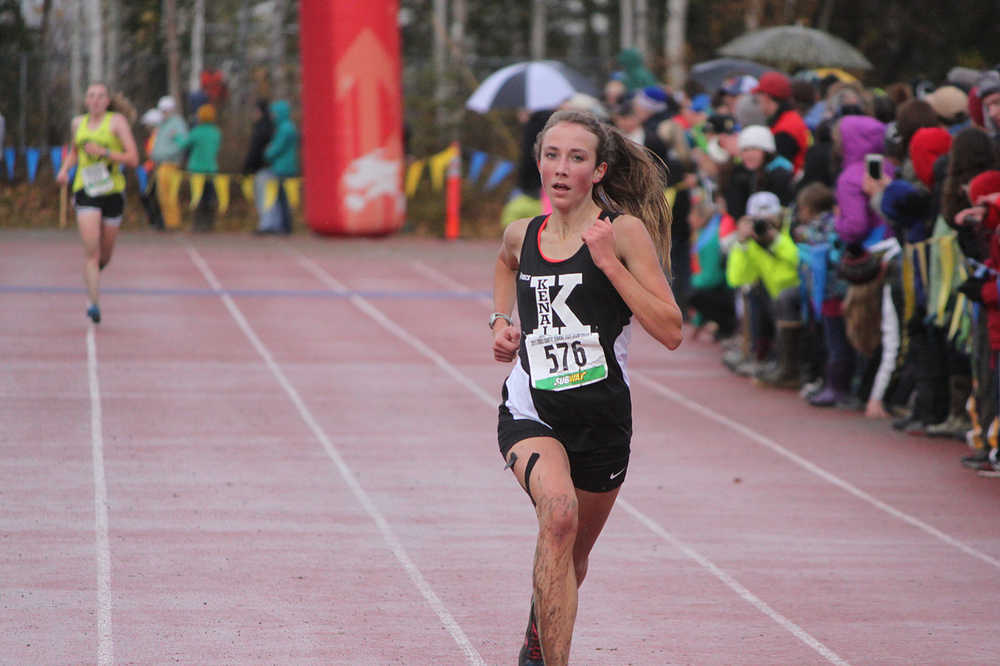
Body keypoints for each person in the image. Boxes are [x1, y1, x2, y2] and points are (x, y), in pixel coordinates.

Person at [490, 109, 683, 666]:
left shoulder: (622, 232)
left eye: (576, 158)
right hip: (533, 411)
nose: (561, 167)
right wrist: (500, 322)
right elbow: (504, 265)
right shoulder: (523, 233)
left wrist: (610, 265)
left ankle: (537, 634)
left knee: (570, 559)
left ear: (598, 171)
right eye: (552, 155)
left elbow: (670, 331)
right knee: (559, 513)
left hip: (602, 422)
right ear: (538, 163)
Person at [55, 82, 139, 324]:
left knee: (105, 255)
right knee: (91, 251)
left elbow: (133, 158)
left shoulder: (116, 123)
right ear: (85, 100)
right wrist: (63, 171)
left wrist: (105, 153)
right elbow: (74, 152)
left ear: (107, 101)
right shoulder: (77, 123)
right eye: (91, 96)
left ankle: (94, 275)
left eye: (101, 96)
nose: (96, 100)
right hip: (86, 189)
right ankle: (93, 302)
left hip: (112, 191)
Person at [175, 103, 221, 231]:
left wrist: (176, 137)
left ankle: (197, 225)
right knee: (209, 197)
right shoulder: (216, 133)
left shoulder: (197, 132)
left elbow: (183, 144)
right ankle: (209, 224)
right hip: (211, 169)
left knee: (196, 198)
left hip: (197, 170)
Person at [150, 95, 189, 230]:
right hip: (161, 164)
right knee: (162, 196)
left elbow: (182, 143)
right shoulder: (162, 124)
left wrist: (166, 154)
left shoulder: (177, 123)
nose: (163, 113)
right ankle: (167, 221)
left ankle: (173, 223)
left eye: (165, 110)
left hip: (171, 164)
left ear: (171, 109)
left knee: (170, 195)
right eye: (162, 110)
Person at [263, 100, 300, 234]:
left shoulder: (285, 129)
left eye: (274, 113)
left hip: (283, 168)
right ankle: (285, 225)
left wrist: (268, 152)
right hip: (287, 166)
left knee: (282, 198)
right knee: (283, 198)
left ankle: (285, 226)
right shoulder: (289, 127)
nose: (272, 116)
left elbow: (277, 148)